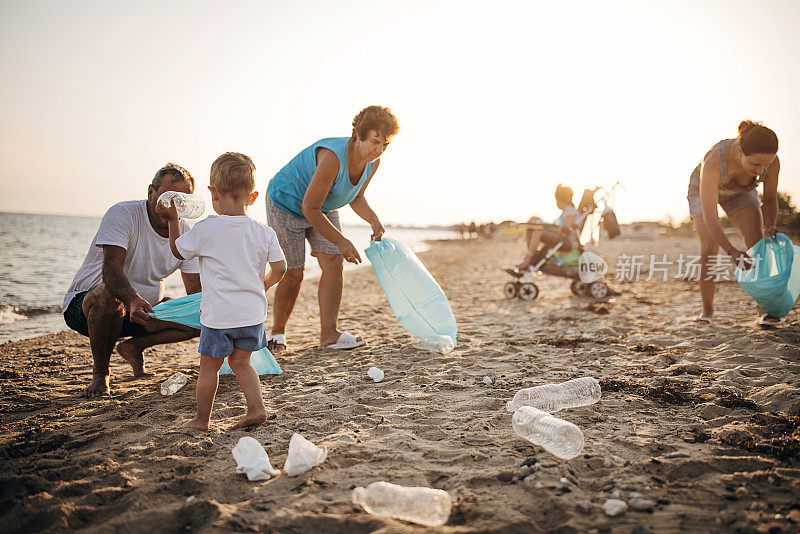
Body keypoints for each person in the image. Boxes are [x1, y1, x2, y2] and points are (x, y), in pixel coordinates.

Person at [160, 152, 287, 430]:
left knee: (209, 369)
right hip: (252, 316)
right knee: (242, 363)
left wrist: (173, 220)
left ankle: (201, 420)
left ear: (213, 193)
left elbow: (177, 249)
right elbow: (281, 268)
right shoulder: (264, 233)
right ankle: (256, 408)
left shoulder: (207, 229)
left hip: (219, 318)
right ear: (252, 197)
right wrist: (262, 285)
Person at [265, 105, 399, 352]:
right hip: (285, 203)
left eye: (385, 144)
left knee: (333, 261)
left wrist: (373, 220)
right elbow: (309, 208)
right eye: (375, 141)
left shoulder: (373, 161)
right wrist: (341, 240)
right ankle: (277, 334)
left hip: (321, 206)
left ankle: (329, 334)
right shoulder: (332, 157)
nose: (379, 149)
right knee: (293, 273)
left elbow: (356, 196)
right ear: (358, 135)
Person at [63, 163, 203, 398]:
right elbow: (111, 272)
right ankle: (100, 375)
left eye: (182, 200)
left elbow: (195, 292)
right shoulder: (124, 214)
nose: (175, 205)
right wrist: (132, 300)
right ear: (152, 192)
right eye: (170, 196)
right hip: (89, 308)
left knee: (202, 314)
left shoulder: (185, 233)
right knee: (108, 296)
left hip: (144, 315)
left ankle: (134, 347)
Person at [687, 121, 780, 327]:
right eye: (756, 165)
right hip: (703, 187)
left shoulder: (770, 162)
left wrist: (771, 225)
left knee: (757, 243)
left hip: (741, 192)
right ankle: (707, 311)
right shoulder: (713, 161)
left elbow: (771, 198)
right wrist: (731, 251)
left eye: (766, 165)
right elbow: (711, 218)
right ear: (740, 150)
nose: (761, 170)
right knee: (710, 247)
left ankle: (764, 310)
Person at [513, 184, 579, 271]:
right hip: (560, 239)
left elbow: (564, 232)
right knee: (530, 230)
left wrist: (547, 229)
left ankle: (529, 259)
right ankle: (531, 256)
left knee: (538, 232)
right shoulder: (566, 212)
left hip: (567, 243)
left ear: (559, 199)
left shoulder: (571, 212)